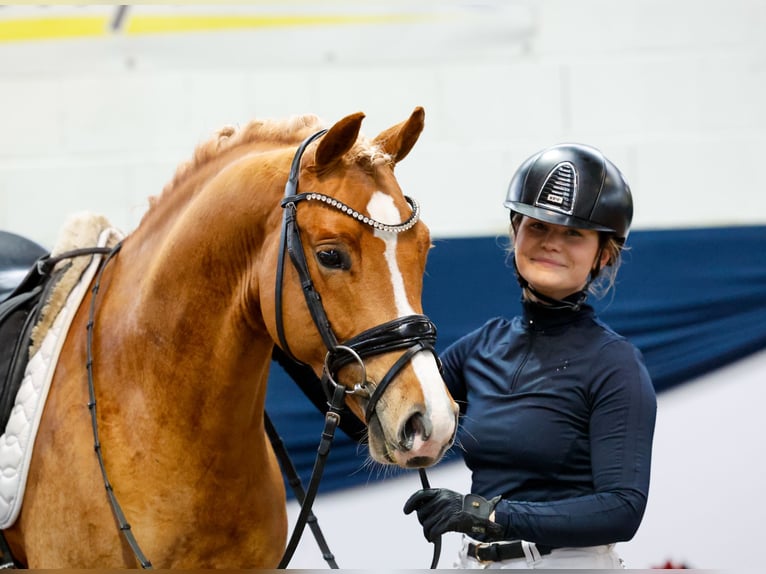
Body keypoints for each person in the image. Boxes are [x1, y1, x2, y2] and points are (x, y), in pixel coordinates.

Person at [403, 143, 657, 569]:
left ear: (604, 254)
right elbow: (391, 413)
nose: (551, 243)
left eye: (573, 233)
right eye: (538, 226)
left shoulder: (617, 365)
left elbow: (622, 509)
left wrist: (488, 515)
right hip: (473, 563)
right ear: (515, 230)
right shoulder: (479, 347)